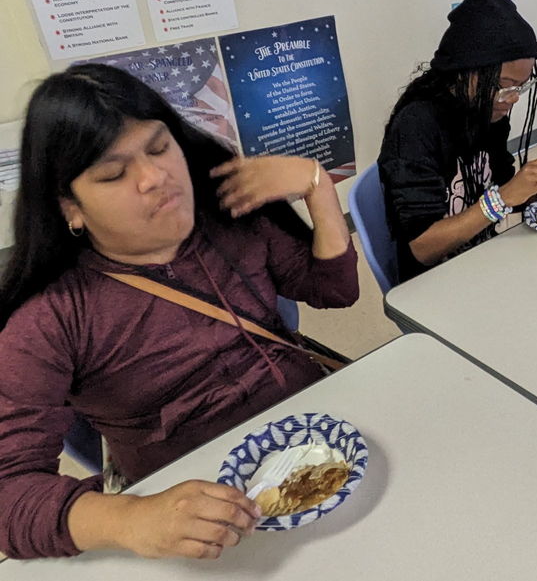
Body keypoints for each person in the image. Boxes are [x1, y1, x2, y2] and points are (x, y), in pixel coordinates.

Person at [0, 64, 359, 560]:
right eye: (112, 173)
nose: (156, 178)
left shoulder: (231, 217)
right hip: (203, 508)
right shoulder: (52, 319)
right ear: (70, 209)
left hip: (317, 436)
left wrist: (317, 186)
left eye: (159, 147)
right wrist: (129, 518)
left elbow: (334, 290)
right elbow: (9, 491)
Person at [378, 0, 537, 282]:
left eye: (521, 87)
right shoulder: (417, 126)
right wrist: (503, 198)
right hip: (434, 281)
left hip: (481, 257)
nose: (513, 99)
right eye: (505, 86)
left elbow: (501, 184)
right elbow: (423, 248)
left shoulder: (489, 113)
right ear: (465, 73)